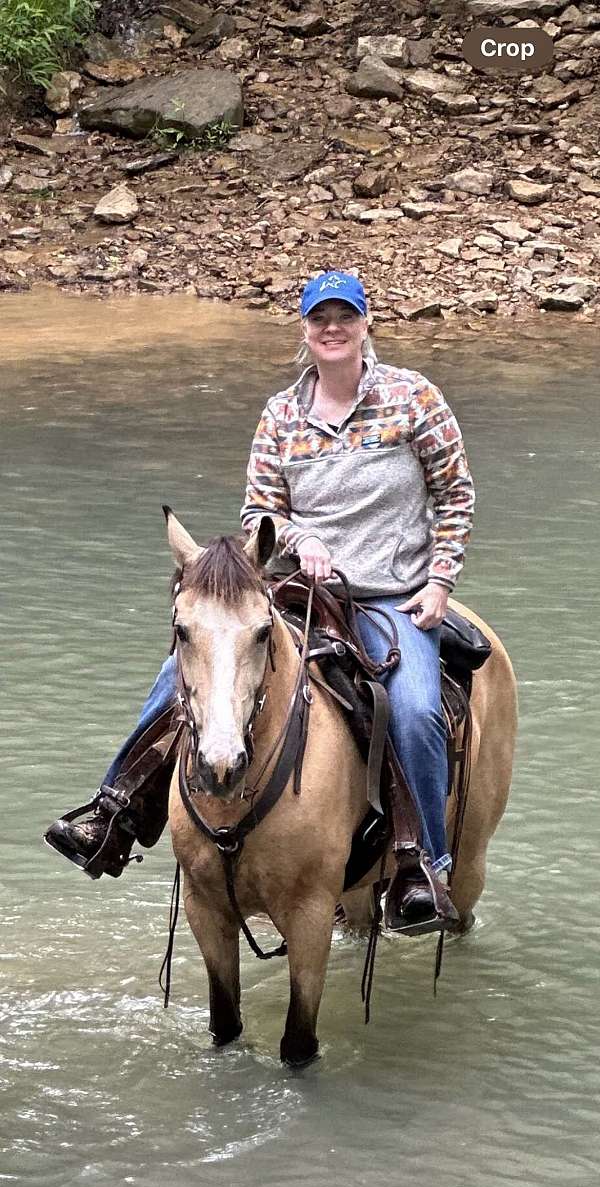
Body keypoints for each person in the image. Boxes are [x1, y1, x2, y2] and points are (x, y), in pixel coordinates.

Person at [45, 270, 474, 932]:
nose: (332, 328)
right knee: (183, 671)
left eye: (344, 316)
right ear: (306, 330)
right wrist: (298, 539)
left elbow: (455, 494)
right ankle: (115, 811)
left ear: (365, 324)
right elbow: (262, 509)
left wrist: (439, 582)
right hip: (299, 588)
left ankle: (424, 870)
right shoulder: (281, 413)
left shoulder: (414, 399)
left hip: (393, 595)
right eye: (319, 318)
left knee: (416, 709)